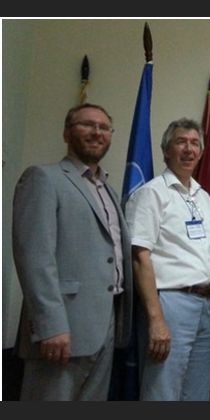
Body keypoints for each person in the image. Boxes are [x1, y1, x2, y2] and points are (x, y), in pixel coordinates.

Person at [12, 103, 133, 400]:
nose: (97, 132)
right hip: (62, 328)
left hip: (105, 323)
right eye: (87, 125)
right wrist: (50, 325)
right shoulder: (43, 178)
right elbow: (34, 258)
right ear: (66, 133)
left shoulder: (108, 189)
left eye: (104, 127)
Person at [125, 118, 210, 401]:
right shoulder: (151, 194)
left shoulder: (203, 196)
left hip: (204, 304)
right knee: (162, 392)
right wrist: (156, 319)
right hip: (170, 303)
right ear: (166, 150)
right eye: (181, 142)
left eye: (194, 143)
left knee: (197, 393)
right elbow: (139, 256)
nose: (189, 149)